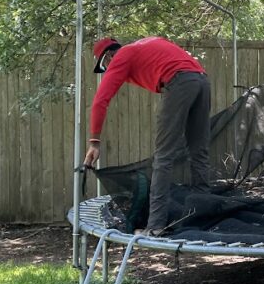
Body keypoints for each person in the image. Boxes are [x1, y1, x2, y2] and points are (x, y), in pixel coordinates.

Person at [84, 36, 211, 236]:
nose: (107, 70)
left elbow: (101, 100)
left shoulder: (122, 56)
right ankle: (205, 215)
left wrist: (94, 141)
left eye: (105, 66)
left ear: (109, 56)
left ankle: (155, 227)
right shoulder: (145, 43)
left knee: (163, 157)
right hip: (201, 80)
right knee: (199, 151)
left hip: (179, 81)